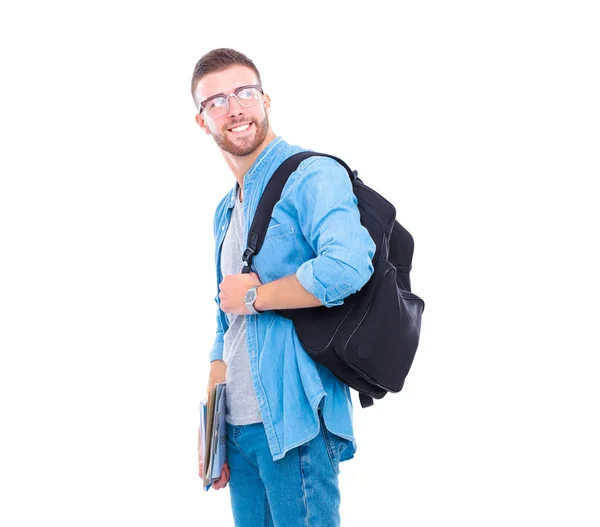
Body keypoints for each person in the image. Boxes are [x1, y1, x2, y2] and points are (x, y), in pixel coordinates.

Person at [191, 48, 376, 527]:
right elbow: (223, 320)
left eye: (244, 92)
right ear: (202, 121)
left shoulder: (311, 175)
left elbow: (348, 265)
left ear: (265, 99)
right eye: (216, 101)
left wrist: (256, 296)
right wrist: (211, 424)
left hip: (296, 421)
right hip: (238, 429)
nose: (234, 108)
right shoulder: (224, 210)